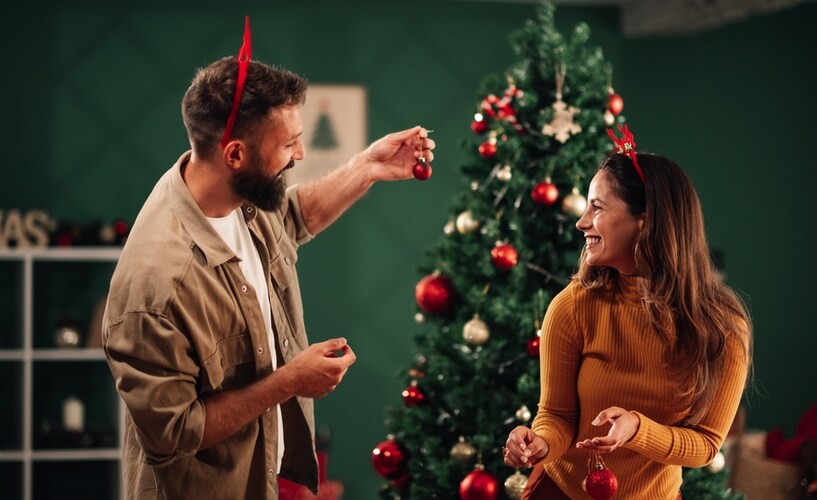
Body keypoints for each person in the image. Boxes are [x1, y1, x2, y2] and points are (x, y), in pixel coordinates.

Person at [102, 18, 435, 500]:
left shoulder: (235, 194)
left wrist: (368, 167)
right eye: (287, 143)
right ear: (235, 153)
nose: (300, 153)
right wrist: (288, 382)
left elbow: (292, 217)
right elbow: (173, 434)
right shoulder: (156, 285)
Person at [503, 125, 751, 499]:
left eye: (597, 207)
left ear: (646, 220)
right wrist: (539, 443)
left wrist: (638, 429)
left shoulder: (723, 326)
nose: (581, 222)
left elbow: (706, 445)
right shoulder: (572, 305)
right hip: (561, 491)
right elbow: (556, 415)